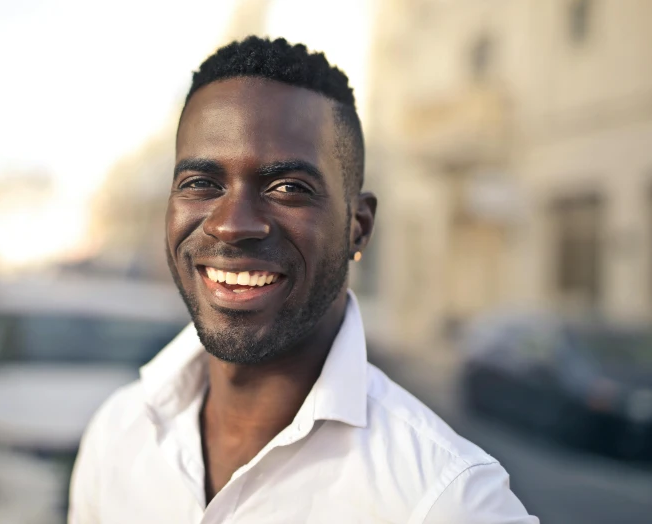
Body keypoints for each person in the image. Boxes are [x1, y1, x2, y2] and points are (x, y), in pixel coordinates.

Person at [69, 36, 538, 524]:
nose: (231, 224)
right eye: (200, 184)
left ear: (358, 225)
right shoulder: (117, 434)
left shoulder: (447, 500)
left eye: (289, 188)